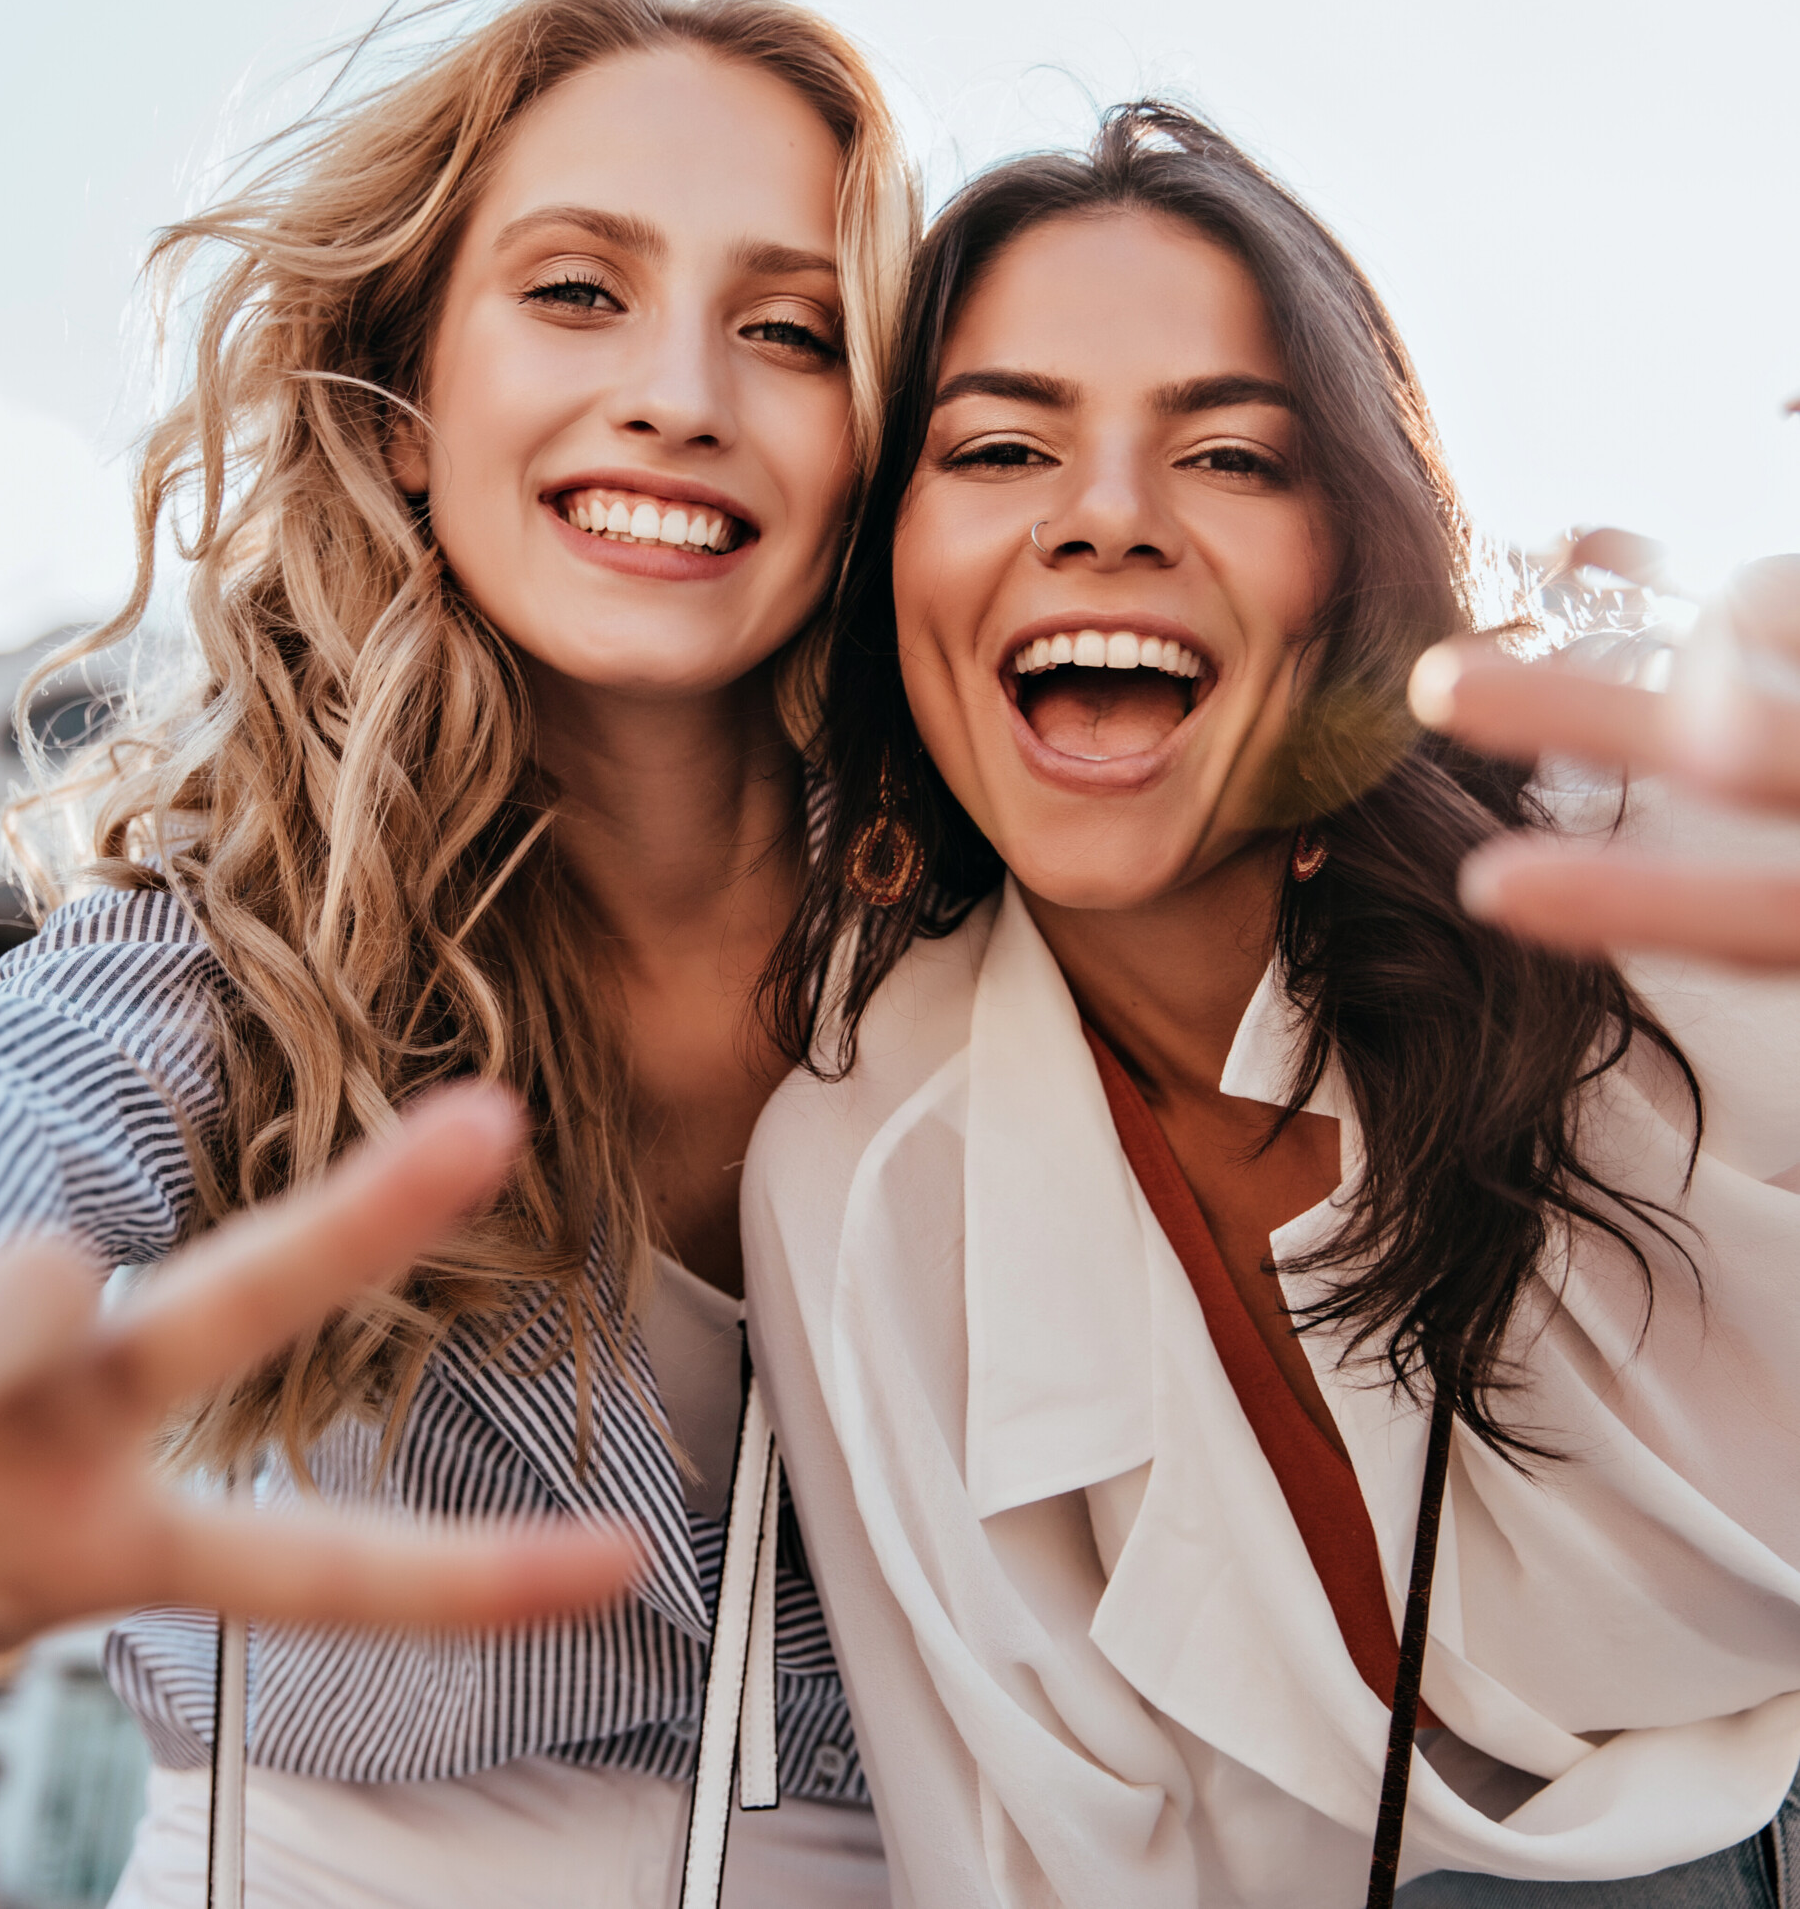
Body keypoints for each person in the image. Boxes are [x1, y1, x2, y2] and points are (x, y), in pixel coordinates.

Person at [0, 0, 916, 1907]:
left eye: (789, 330)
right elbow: (5, 1089)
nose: (680, 397)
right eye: (578, 291)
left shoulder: (989, 952)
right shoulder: (255, 928)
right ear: (410, 403)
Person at [744, 104, 1800, 1905]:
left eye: (1230, 457)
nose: (1103, 521)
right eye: (1000, 446)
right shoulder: (861, 1173)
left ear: (1358, 558)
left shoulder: (1659, 832)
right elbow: (1020, 1863)